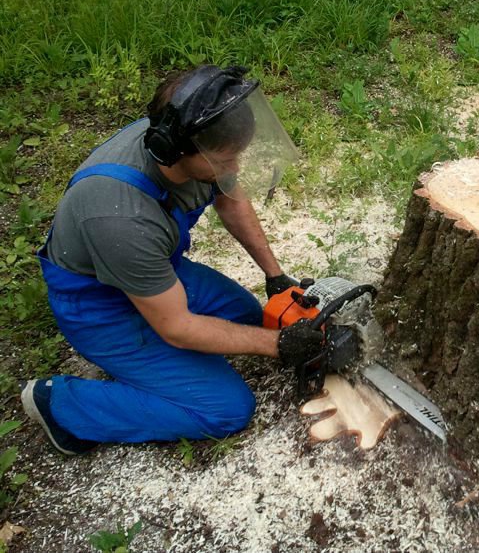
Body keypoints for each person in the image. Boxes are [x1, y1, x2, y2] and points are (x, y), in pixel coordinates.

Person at [21, 65, 325, 455]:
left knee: (252, 316)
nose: (231, 170)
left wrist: (275, 275)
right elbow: (178, 327)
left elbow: (229, 198)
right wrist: (278, 345)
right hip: (99, 307)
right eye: (223, 160)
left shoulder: (192, 135)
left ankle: (167, 363)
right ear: (173, 149)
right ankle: (62, 404)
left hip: (157, 271)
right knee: (226, 408)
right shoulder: (120, 217)